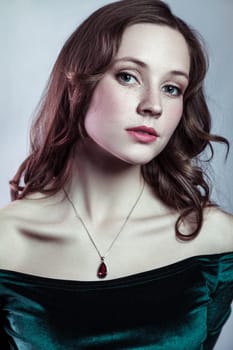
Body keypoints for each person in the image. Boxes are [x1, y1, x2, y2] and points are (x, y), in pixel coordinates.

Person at [0, 0, 233, 348]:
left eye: (172, 88)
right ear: (77, 83)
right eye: (128, 76)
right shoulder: (8, 242)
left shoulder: (215, 239)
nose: (153, 104)